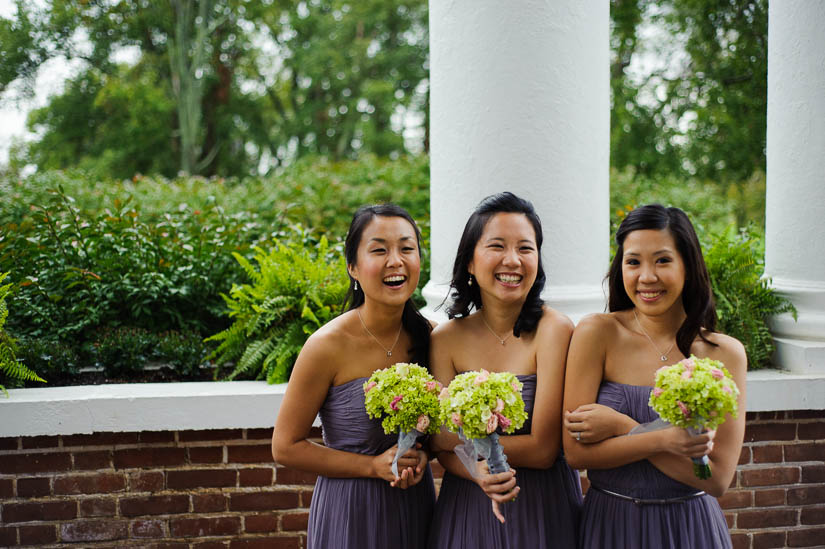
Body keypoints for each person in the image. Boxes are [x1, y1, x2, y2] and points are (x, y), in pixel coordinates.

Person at [562, 204, 747, 549]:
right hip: (611, 526)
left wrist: (623, 427)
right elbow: (576, 453)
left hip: (691, 528)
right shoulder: (596, 333)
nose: (647, 276)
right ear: (621, 268)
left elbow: (718, 479)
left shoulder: (724, 353)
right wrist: (663, 440)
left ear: (688, 266)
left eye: (662, 260)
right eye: (633, 262)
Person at [272, 204, 435, 549]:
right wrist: (372, 466)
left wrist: (423, 456)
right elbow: (286, 447)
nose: (396, 261)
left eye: (407, 248)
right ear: (353, 267)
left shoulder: (433, 338)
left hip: (415, 506)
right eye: (379, 250)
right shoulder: (326, 346)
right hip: (349, 509)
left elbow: (441, 434)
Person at [428, 192, 582, 548]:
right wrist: (477, 471)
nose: (512, 260)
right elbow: (439, 442)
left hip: (542, 506)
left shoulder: (555, 330)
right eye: (497, 246)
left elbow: (544, 449)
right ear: (469, 261)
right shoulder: (446, 339)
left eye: (525, 249)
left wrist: (468, 447)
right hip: (467, 504)